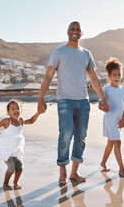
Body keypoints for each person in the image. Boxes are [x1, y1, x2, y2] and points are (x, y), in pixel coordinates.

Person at [37, 21, 109, 185]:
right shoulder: (59, 52)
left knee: (81, 137)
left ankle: (74, 172)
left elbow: (94, 78)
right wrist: (41, 99)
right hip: (65, 101)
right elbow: (48, 77)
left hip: (83, 102)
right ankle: (62, 170)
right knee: (65, 135)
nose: (74, 31)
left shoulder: (86, 54)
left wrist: (103, 99)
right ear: (67, 32)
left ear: (81, 33)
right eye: (72, 29)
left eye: (77, 29)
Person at [0, 99, 43, 190]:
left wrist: (38, 113)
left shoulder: (21, 121)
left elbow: (31, 121)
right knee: (11, 166)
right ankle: (5, 183)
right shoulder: (6, 121)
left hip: (15, 149)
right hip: (5, 149)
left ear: (21, 111)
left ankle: (15, 182)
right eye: (12, 109)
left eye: (17, 108)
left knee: (20, 167)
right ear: (8, 112)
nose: (15, 110)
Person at [99, 57, 124, 178]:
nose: (117, 77)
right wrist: (103, 108)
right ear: (109, 76)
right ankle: (121, 170)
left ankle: (103, 162)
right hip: (110, 119)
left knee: (111, 142)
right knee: (117, 142)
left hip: (118, 120)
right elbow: (100, 105)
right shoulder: (106, 89)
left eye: (119, 75)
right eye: (114, 75)